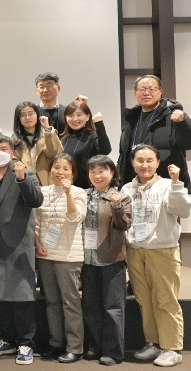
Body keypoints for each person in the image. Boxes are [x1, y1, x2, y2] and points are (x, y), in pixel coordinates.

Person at [121, 144, 191, 367]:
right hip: (135, 251)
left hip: (162, 250)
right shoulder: (126, 189)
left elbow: (183, 211)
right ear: (132, 162)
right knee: (144, 299)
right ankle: (153, 342)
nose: (144, 165)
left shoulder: (168, 185)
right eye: (140, 160)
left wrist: (177, 182)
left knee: (165, 299)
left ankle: (172, 348)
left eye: (149, 160)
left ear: (158, 163)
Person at [0, 134, 43, 365]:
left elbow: (36, 201)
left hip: (18, 245)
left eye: (3, 148)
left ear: (12, 152)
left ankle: (26, 342)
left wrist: (22, 178)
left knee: (22, 296)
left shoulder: (26, 174)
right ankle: (6, 339)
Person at [33, 153, 87, 363]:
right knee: (52, 302)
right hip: (45, 254)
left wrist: (68, 193)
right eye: (56, 167)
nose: (60, 172)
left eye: (66, 168)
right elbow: (36, 223)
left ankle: (75, 347)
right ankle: (56, 343)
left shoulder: (79, 192)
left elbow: (75, 218)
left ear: (73, 173)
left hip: (69, 256)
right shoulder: (42, 192)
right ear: (50, 170)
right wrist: (38, 243)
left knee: (70, 302)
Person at [81, 155, 131, 366]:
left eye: (102, 171)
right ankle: (94, 346)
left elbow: (124, 225)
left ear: (112, 173)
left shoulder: (120, 197)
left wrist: (117, 206)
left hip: (112, 259)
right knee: (90, 306)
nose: (97, 175)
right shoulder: (83, 195)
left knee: (113, 307)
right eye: (93, 171)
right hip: (87, 259)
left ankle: (113, 351)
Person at [117, 75, 191, 188]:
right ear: (135, 93)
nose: (146, 93)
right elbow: (124, 153)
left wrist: (183, 122)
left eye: (151, 89)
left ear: (160, 92)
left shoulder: (173, 115)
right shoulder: (131, 118)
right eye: (142, 89)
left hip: (167, 182)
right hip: (135, 184)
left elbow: (188, 143)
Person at [60, 100, 111, 189]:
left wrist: (99, 124)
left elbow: (105, 150)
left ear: (87, 117)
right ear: (66, 118)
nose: (75, 119)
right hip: (66, 187)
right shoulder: (63, 139)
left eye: (79, 115)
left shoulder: (93, 136)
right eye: (71, 115)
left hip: (88, 188)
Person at [11, 101, 62, 186]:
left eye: (31, 113)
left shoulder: (48, 133)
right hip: (26, 182)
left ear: (37, 115)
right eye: (23, 115)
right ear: (18, 118)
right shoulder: (14, 139)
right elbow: (13, 162)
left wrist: (47, 128)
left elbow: (53, 153)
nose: (27, 117)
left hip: (48, 183)